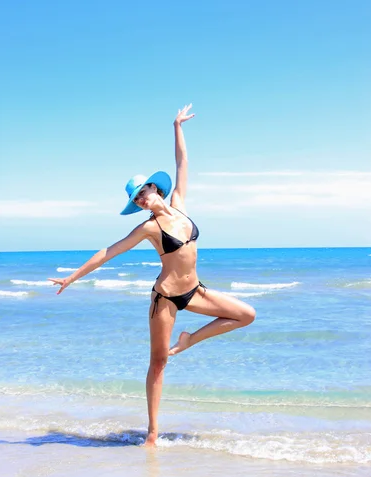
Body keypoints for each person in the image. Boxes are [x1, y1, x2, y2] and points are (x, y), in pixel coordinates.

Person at [49, 105, 256, 446]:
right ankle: (152, 433)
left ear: (153, 188)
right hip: (165, 299)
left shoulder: (180, 203)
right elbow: (109, 251)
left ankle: (189, 341)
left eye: (143, 192)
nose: (143, 200)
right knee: (158, 362)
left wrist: (177, 126)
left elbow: (183, 163)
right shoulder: (148, 228)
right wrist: (71, 278)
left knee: (246, 314)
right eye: (137, 199)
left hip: (196, 290)